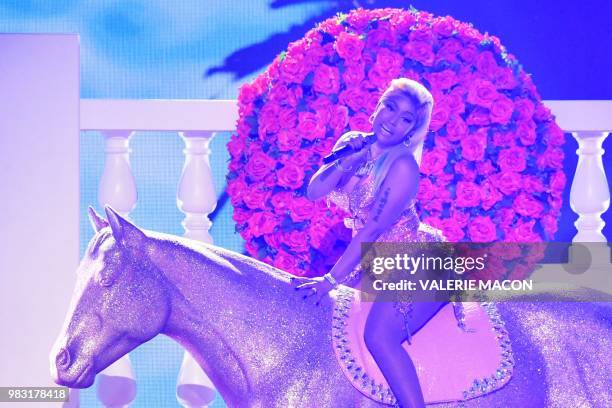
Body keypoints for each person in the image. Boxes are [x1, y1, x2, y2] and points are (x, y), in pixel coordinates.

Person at [293, 78, 453, 408]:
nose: (393, 121)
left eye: (406, 119)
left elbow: (372, 231)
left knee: (378, 337)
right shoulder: (353, 143)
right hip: (376, 265)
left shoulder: (403, 166)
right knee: (326, 322)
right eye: (390, 108)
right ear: (377, 107)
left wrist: (330, 280)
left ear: (413, 129)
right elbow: (313, 191)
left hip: (416, 263)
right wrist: (344, 162)